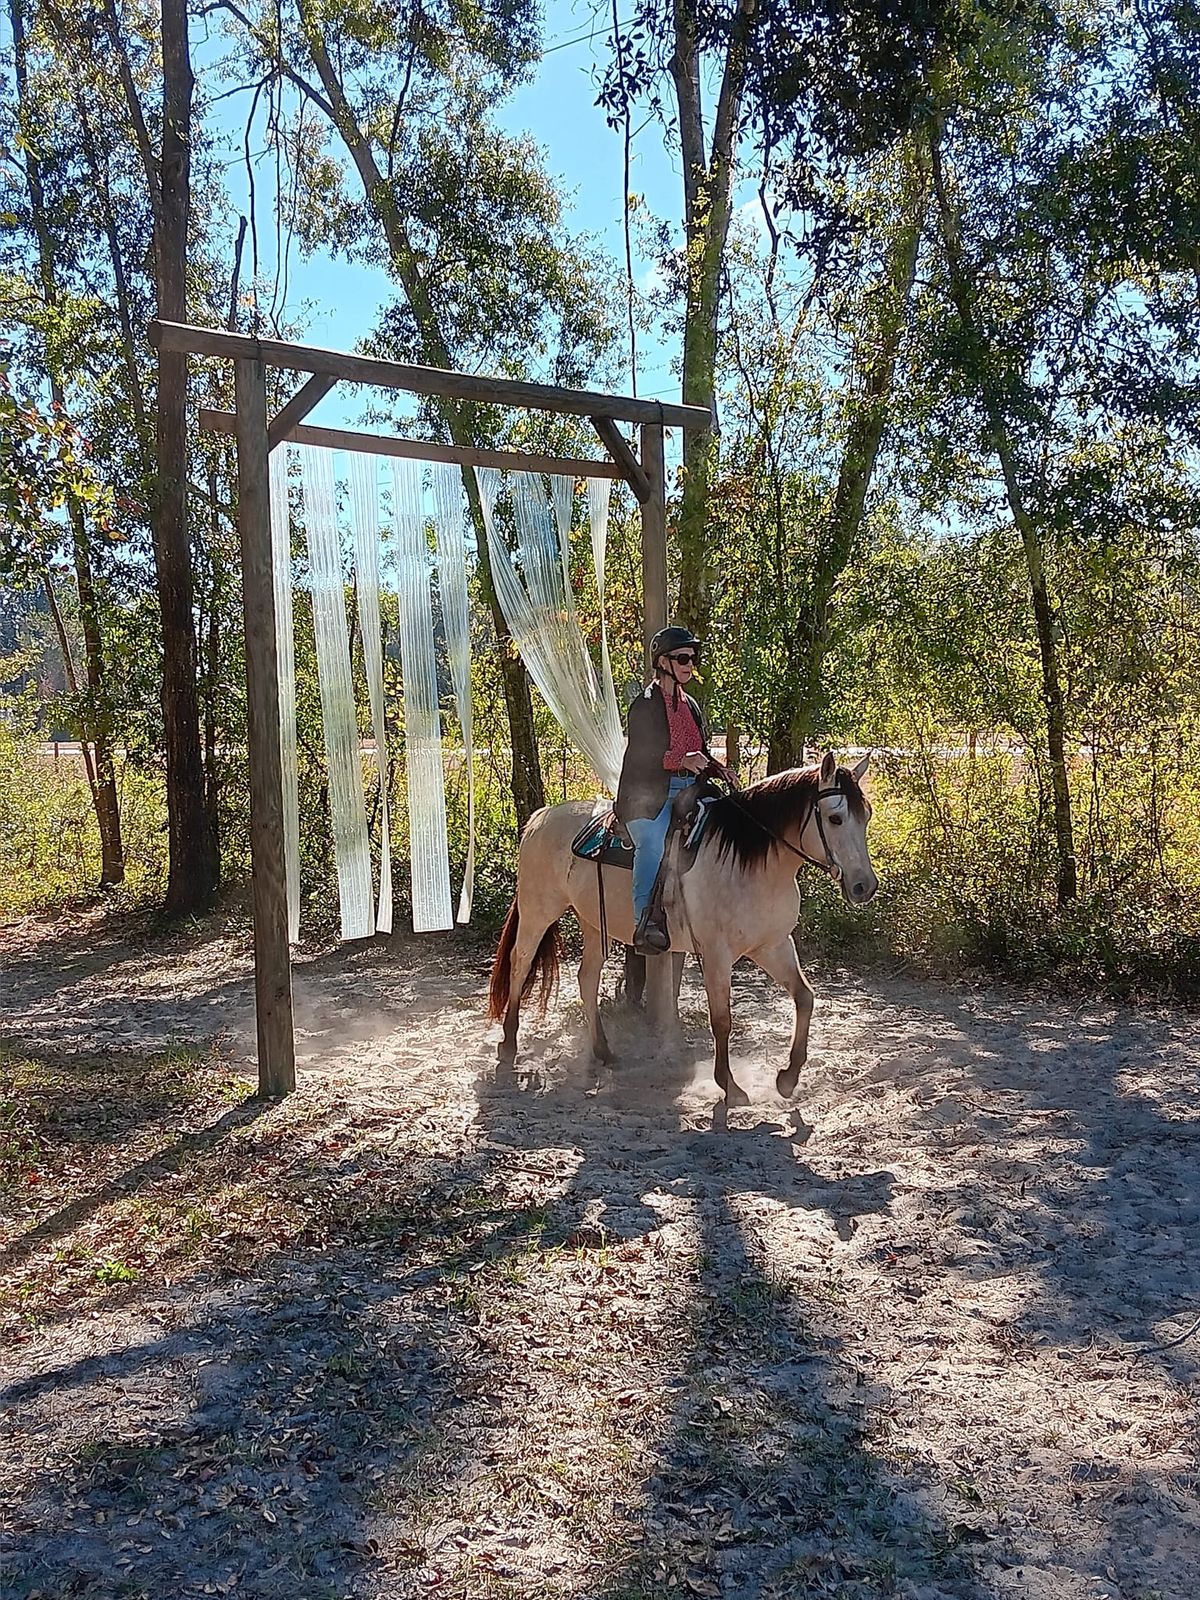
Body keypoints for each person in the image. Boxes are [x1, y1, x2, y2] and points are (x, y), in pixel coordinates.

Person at [614, 624, 724, 953]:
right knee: (651, 844)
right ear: (662, 662)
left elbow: (699, 752)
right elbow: (641, 756)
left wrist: (718, 768)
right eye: (683, 657)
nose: (691, 663)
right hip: (649, 795)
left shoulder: (690, 704)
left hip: (692, 789)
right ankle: (644, 922)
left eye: (693, 657)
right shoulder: (645, 705)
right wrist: (681, 759)